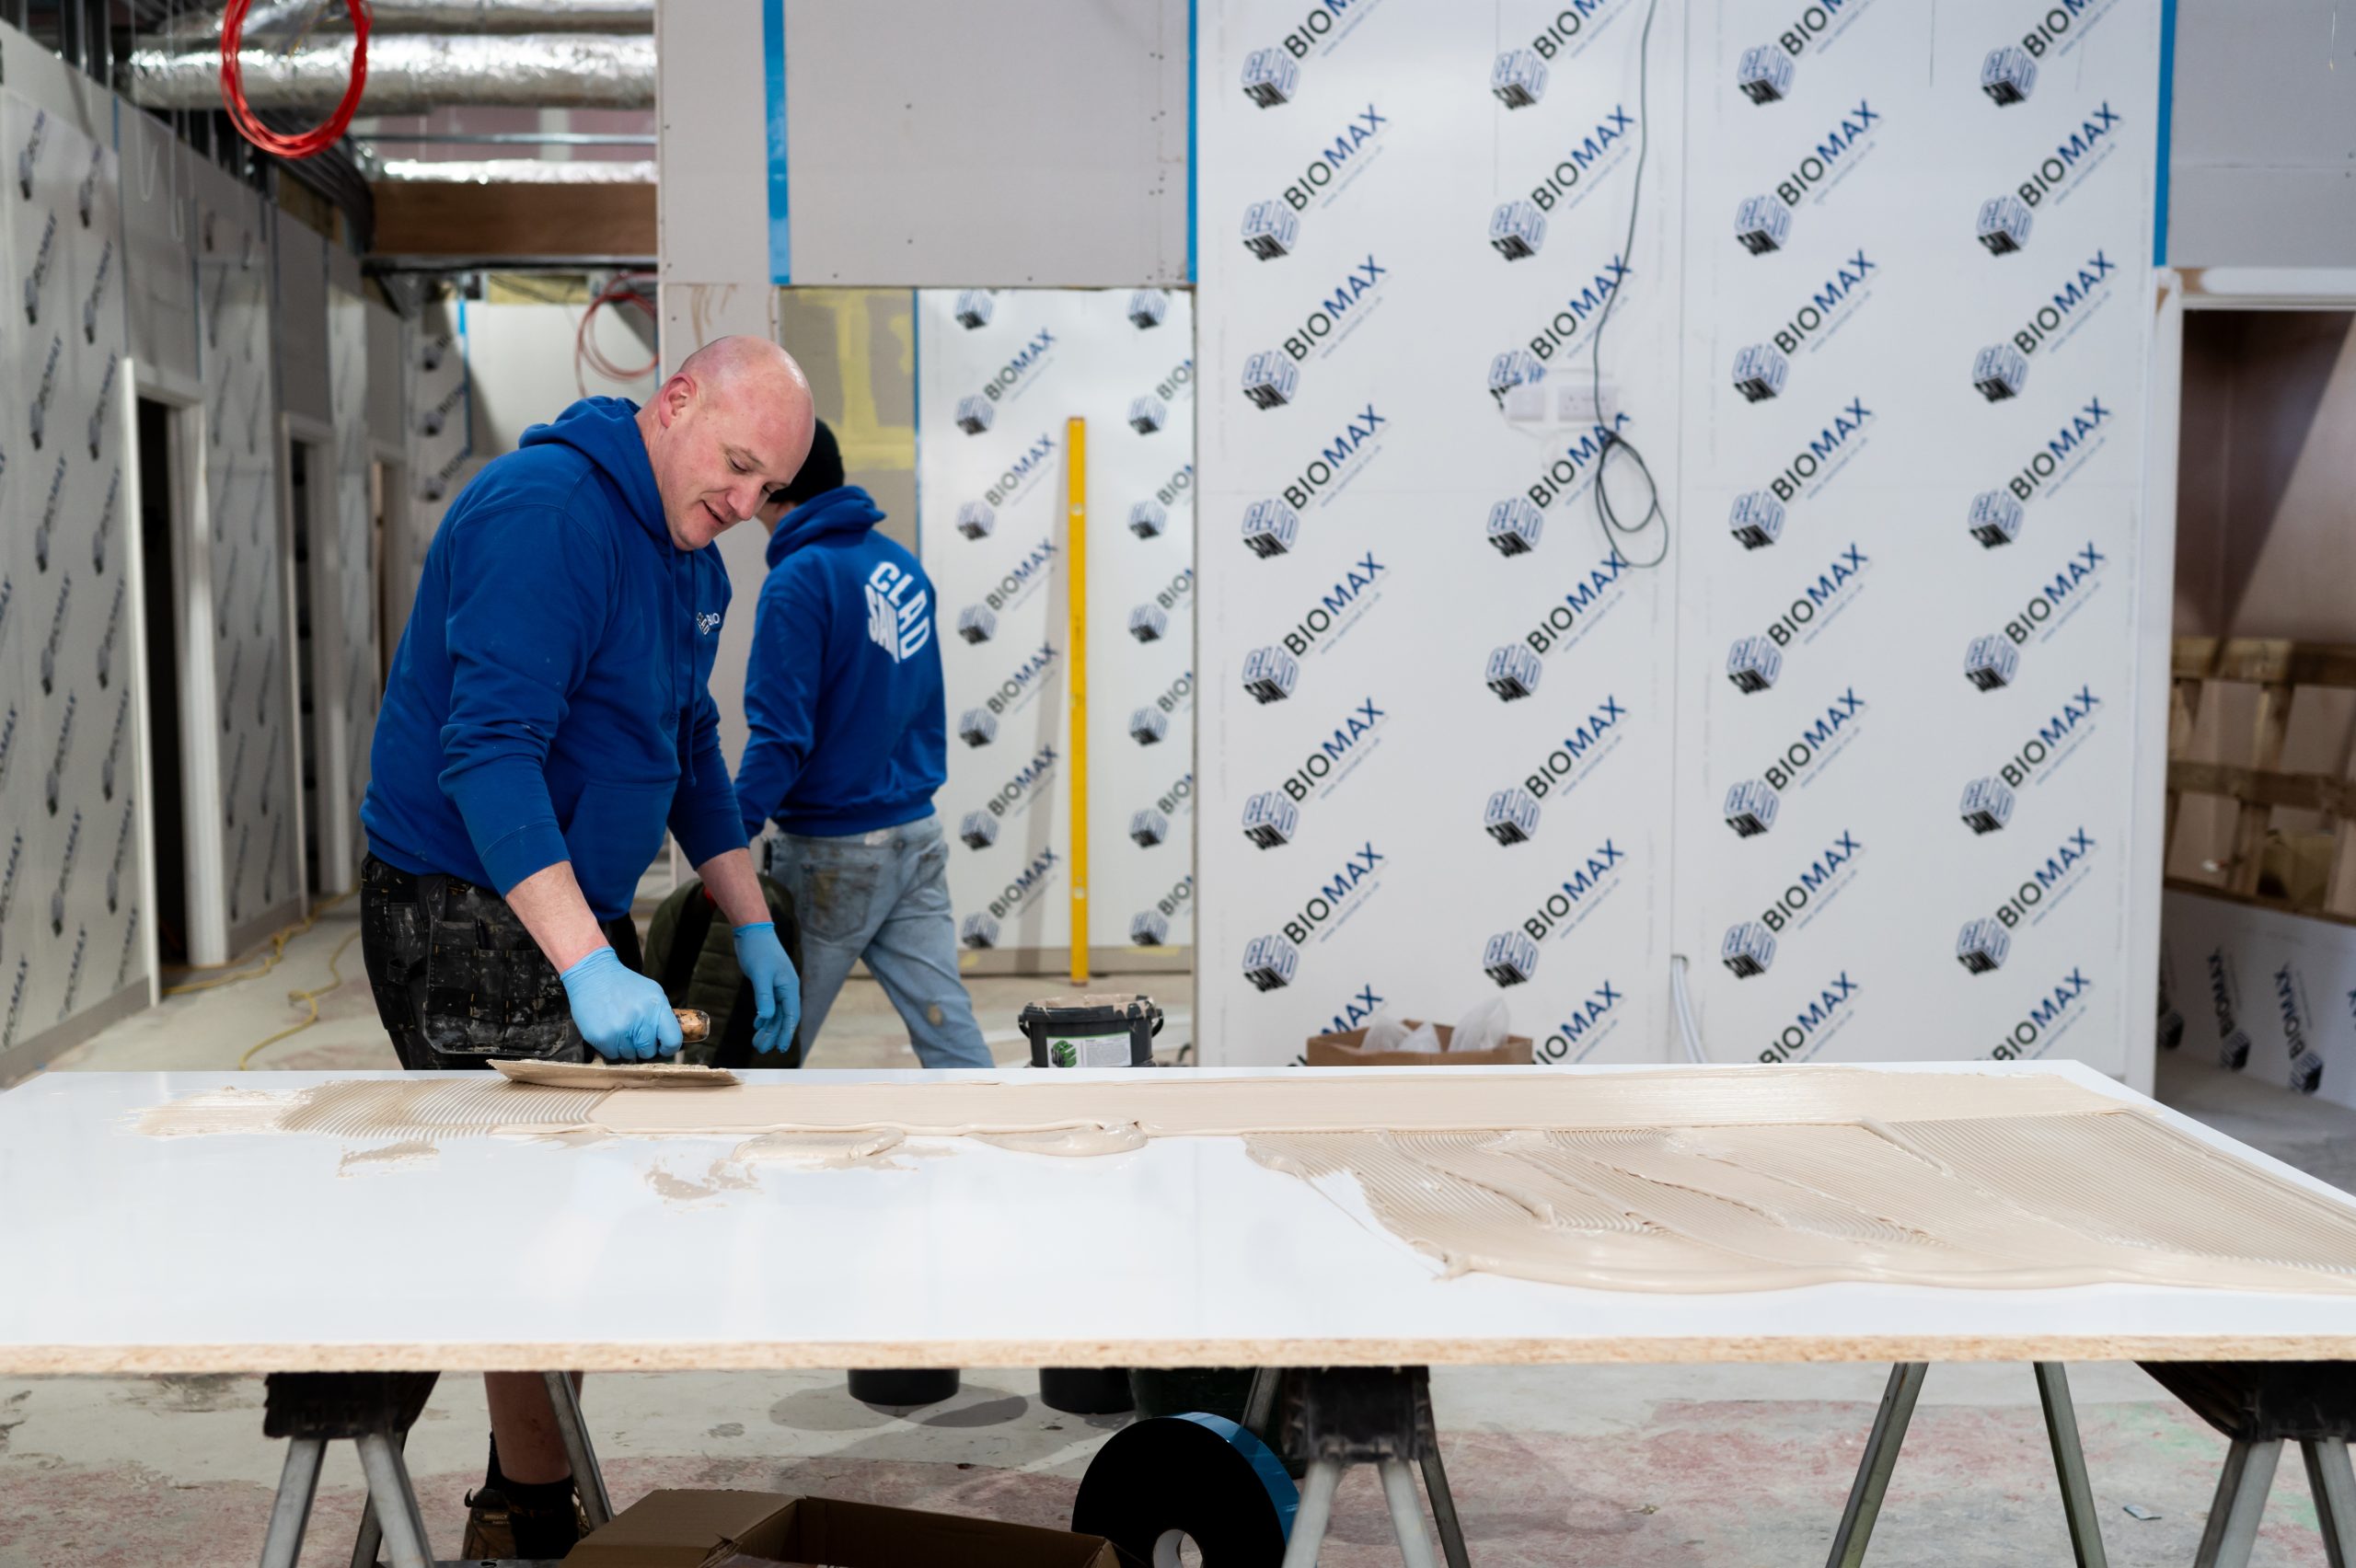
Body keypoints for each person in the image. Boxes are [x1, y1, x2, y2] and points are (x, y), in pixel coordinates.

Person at [356, 336, 810, 1558]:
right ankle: (425, 1464)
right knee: (521, 1224)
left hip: (566, 910)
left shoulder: (685, 550)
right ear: (673, 403)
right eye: (734, 467)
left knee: (566, 1219)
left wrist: (749, 922)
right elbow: (487, 753)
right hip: (459, 904)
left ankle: (524, 1502)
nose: (744, 505)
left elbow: (690, 742)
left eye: (768, 488)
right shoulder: (547, 515)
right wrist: (590, 965)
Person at [736, 419, 993, 1068]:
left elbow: (780, 734)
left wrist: (727, 835)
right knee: (950, 1036)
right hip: (915, 835)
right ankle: (1006, 1159)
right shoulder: (899, 566)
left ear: (778, 484)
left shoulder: (799, 580)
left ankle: (735, 1166)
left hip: (834, 853)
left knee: (769, 1042)